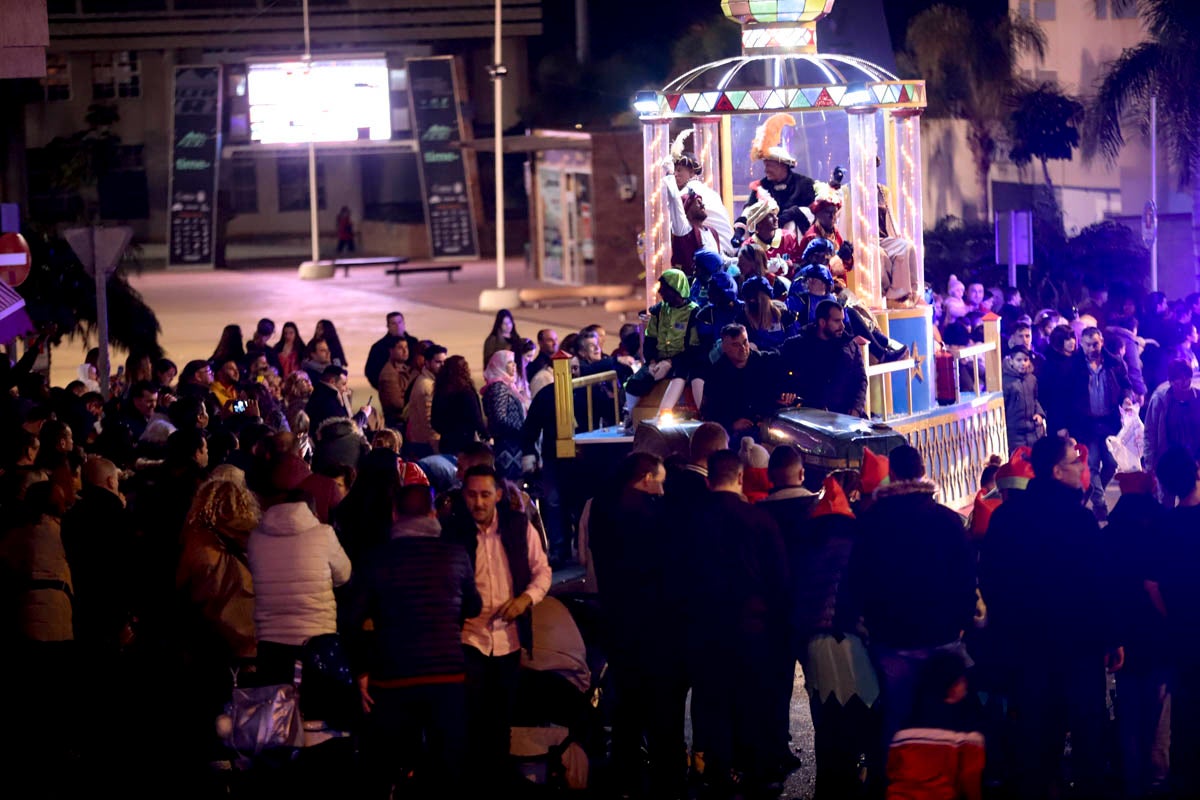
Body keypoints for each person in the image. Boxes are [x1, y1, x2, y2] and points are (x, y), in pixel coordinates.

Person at [980, 435, 1124, 800]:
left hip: (1027, 652)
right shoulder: (1080, 521)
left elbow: (992, 581)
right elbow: (1099, 583)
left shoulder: (1007, 519)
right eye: (1075, 462)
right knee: (1087, 742)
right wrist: (1111, 638)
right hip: (1078, 651)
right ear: (1058, 471)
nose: (1082, 467)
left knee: (1034, 746)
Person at [346, 485, 481, 798]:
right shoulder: (455, 553)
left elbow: (350, 619)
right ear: (433, 514)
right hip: (447, 673)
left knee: (388, 764)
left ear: (395, 515)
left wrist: (362, 670)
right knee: (447, 766)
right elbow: (473, 605)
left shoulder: (377, 558)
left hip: (393, 676)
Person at [843, 445, 977, 751]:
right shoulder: (947, 521)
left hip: (891, 639)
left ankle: (899, 785)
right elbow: (966, 577)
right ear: (922, 472)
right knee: (945, 719)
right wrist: (962, 620)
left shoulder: (872, 522)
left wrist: (869, 622)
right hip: (943, 636)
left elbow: (857, 578)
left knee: (897, 720)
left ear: (894, 474)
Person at [442, 465, 552, 787]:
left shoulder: (518, 527)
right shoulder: (453, 532)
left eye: (485, 495)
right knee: (471, 717)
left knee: (501, 717)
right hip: (469, 637)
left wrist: (525, 600)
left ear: (499, 495)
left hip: (509, 637)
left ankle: (498, 781)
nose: (478, 502)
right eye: (472, 495)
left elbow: (542, 571)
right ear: (464, 496)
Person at [588, 452, 688, 798]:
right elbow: (667, 570)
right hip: (655, 629)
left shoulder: (601, 508)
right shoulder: (651, 516)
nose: (662, 490)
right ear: (646, 477)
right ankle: (668, 781)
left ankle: (625, 777)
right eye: (659, 481)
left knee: (627, 709)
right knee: (664, 714)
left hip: (618, 623)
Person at [1155, 447, 1200, 798]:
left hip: (1182, 633)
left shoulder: (1166, 525)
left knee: (1185, 709)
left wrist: (1172, 616)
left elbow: (1152, 584)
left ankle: (1184, 778)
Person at [622, 268, 701, 429]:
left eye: (664, 288)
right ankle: (631, 417)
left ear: (675, 288)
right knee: (633, 383)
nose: (661, 292)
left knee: (681, 375)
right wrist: (651, 362)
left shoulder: (694, 312)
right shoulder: (658, 311)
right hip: (657, 360)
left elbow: (694, 346)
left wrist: (671, 362)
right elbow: (650, 339)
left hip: (681, 361)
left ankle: (662, 415)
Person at [732, 112, 815, 246]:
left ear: (783, 165)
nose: (766, 170)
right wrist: (740, 229)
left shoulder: (804, 184)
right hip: (765, 243)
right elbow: (749, 210)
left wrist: (794, 213)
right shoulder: (762, 186)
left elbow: (813, 213)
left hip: (795, 243)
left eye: (769, 166)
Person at [1076, 326, 1132, 521]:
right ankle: (1100, 504)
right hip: (1087, 424)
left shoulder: (1115, 363)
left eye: (1096, 344)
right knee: (1091, 465)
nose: (1093, 348)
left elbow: (1126, 385)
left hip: (1109, 423)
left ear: (1102, 343)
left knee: (1111, 464)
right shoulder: (1074, 367)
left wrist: (1126, 399)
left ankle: (1090, 492)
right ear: (1082, 344)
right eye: (1089, 344)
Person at [779, 300, 867, 417]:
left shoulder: (850, 346)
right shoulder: (796, 346)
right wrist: (789, 395)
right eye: (836, 321)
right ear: (822, 322)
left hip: (846, 415)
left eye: (842, 320)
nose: (842, 326)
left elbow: (861, 380)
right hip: (809, 417)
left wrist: (856, 408)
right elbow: (783, 377)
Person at [700, 323, 787, 437]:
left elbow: (783, 383)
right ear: (724, 348)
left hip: (768, 427)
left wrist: (784, 395)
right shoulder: (716, 374)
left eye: (745, 342)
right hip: (733, 434)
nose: (743, 348)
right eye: (736, 345)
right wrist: (731, 425)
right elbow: (709, 412)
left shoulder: (766, 362)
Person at [1144, 358, 1200, 482]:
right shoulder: (1160, 400)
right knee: (1165, 498)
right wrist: (1149, 463)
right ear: (1171, 381)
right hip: (1167, 458)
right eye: (1180, 378)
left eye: (1188, 377)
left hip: (1192, 459)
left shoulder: (1197, 398)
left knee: (1191, 497)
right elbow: (1150, 432)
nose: (1185, 381)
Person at [480, 350, 526, 482]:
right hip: (507, 445)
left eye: (514, 362)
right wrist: (522, 429)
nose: (514, 366)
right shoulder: (498, 387)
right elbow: (499, 418)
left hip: (513, 443)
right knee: (509, 483)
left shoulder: (508, 385)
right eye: (509, 363)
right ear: (500, 365)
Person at [431, 355, 487, 458]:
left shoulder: (440, 392)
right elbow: (475, 418)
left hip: (446, 442)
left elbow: (435, 422)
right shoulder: (467, 392)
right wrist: (486, 435)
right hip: (466, 443)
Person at [404, 344, 446, 459]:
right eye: (438, 362)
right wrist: (437, 449)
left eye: (444, 362)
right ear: (427, 363)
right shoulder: (427, 386)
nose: (442, 366)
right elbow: (428, 421)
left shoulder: (431, 381)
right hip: (426, 445)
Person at [1002, 346, 1045, 454]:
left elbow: (1035, 399)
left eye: (1025, 360)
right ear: (1011, 361)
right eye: (1019, 360)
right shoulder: (1005, 382)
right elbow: (1003, 407)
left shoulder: (1032, 379)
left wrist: (1039, 414)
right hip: (1015, 434)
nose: (1023, 363)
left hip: (1033, 431)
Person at [365, 312, 420, 390]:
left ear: (404, 323)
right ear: (388, 326)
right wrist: (384, 387)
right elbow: (370, 371)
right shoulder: (378, 347)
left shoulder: (414, 343)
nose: (398, 326)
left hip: (414, 390)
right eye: (394, 323)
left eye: (400, 322)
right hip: (391, 391)